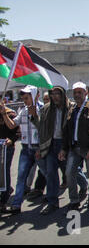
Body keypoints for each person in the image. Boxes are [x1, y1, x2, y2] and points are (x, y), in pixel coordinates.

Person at [31, 86, 87, 215]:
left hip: (66, 144)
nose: (55, 96)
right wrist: (34, 116)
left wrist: (66, 147)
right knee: (51, 173)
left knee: (71, 171)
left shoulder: (71, 108)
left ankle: (84, 186)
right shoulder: (46, 109)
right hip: (51, 145)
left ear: (62, 95)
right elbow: (41, 129)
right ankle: (52, 202)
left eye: (57, 94)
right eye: (53, 94)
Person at [60, 82, 89, 212]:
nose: (77, 95)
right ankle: (74, 200)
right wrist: (63, 149)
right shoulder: (71, 110)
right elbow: (66, 131)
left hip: (88, 149)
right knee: (69, 173)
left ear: (85, 93)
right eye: (75, 92)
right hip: (74, 148)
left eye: (80, 92)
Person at [1, 85, 42, 214]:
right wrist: (3, 113)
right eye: (23, 98)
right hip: (25, 149)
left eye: (27, 98)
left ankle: (53, 199)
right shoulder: (23, 110)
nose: (25, 101)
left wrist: (41, 148)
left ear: (34, 96)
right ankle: (16, 204)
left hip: (39, 148)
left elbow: (44, 130)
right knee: (21, 177)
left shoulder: (42, 109)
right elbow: (13, 125)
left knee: (49, 174)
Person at [0, 105, 19, 213]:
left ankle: (3, 200)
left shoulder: (10, 114)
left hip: (6, 148)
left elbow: (17, 131)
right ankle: (7, 189)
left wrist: (11, 140)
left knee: (4, 172)